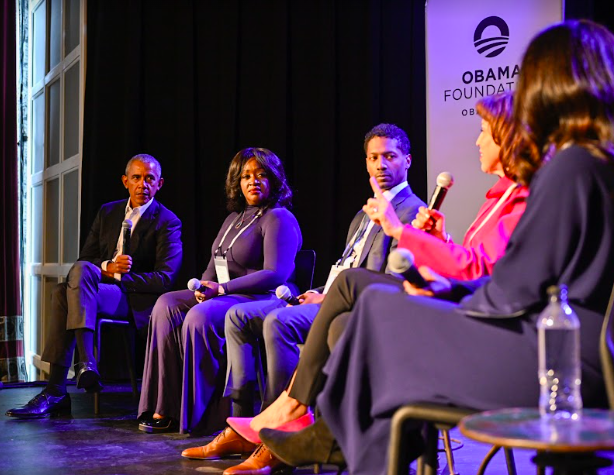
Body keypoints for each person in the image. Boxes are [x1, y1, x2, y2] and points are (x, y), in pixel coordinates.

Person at [257, 20, 614, 475]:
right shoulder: (611, 161)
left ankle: (341, 441)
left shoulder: (572, 166)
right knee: (377, 310)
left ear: (552, 85)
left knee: (379, 310)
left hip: (555, 361)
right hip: (582, 352)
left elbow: (513, 292)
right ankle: (349, 442)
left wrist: (442, 296)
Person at [186, 96, 530, 474]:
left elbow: (467, 274)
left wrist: (406, 235)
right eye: (372, 158)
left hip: (456, 325)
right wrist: (443, 242)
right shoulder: (490, 199)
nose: (477, 141)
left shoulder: (419, 210)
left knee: (290, 318)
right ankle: (306, 430)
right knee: (326, 323)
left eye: (484, 132)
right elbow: (469, 264)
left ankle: (289, 418)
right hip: (358, 302)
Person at [179, 123, 425, 469]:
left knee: (279, 322)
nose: (381, 164)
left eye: (390, 156)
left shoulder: (411, 212)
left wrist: (328, 299)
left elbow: (392, 281)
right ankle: (243, 423)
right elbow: (345, 268)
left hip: (365, 311)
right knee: (238, 317)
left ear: (407, 161)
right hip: (334, 299)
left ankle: (277, 438)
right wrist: (320, 291)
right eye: (373, 157)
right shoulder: (362, 215)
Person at [137, 148, 302, 435]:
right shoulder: (233, 218)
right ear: (236, 182)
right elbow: (215, 264)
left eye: (261, 175)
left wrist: (222, 288)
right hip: (225, 295)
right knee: (166, 304)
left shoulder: (279, 217)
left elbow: (275, 273)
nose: (253, 181)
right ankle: (165, 406)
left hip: (262, 298)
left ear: (274, 180)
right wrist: (203, 287)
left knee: (199, 317)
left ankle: (204, 417)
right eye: (246, 176)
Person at [6, 154, 183, 418]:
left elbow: (164, 278)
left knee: (63, 293)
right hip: (95, 290)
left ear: (159, 184)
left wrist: (119, 277)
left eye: (149, 179)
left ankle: (58, 387)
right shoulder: (108, 211)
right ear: (126, 181)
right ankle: (84, 366)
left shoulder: (167, 221)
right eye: (136, 178)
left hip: (133, 299)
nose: (142, 184)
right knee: (71, 283)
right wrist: (108, 266)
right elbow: (85, 260)